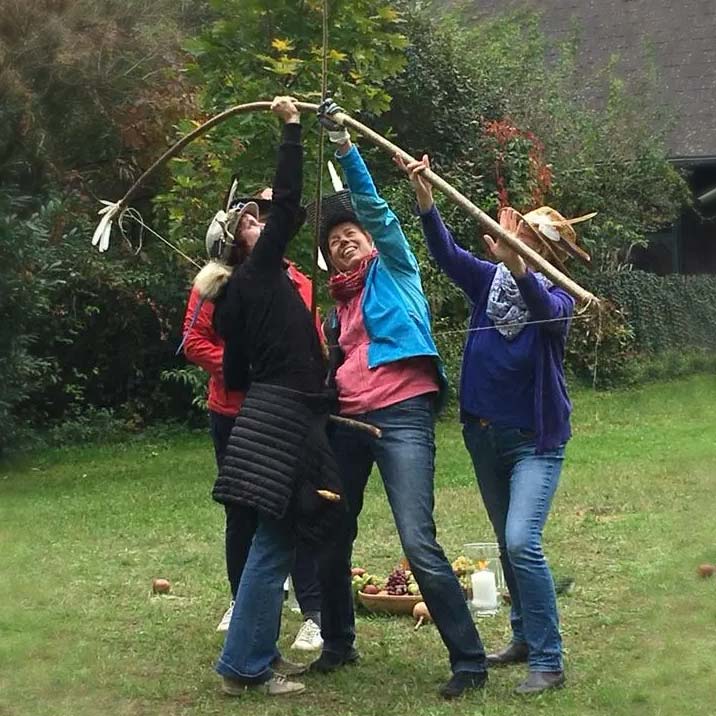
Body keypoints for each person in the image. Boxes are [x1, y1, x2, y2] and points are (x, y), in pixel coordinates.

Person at [310, 100, 488, 700]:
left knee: (417, 540)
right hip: (349, 421)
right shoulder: (337, 307)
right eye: (335, 242)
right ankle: (338, 643)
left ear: (370, 240)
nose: (344, 244)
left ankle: (469, 661)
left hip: (403, 412)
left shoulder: (396, 268)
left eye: (351, 236)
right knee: (332, 530)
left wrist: (344, 147)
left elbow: (376, 209)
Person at [397, 152, 592, 695]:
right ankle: (524, 638)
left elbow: (543, 308)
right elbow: (446, 253)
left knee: (521, 541)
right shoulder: (490, 283)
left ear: (544, 255)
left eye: (527, 240)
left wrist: (519, 265)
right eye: (517, 235)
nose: (515, 241)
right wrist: (426, 199)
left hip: (534, 443)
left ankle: (549, 659)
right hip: (484, 435)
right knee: (508, 546)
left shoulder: (558, 298)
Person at [208, 96, 343, 698]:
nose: (262, 223)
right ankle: (243, 667)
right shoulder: (259, 272)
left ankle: (251, 654)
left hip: (267, 413)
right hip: (285, 419)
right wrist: (291, 128)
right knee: (274, 542)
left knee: (275, 540)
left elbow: (235, 373)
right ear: (241, 246)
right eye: (250, 223)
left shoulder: (237, 295)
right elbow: (288, 201)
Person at [182, 185, 323, 651]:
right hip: (236, 411)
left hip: (289, 408)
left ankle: (312, 611)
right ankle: (242, 603)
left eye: (261, 218)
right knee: (243, 512)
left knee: (300, 508)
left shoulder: (297, 280)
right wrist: (241, 369)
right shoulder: (220, 285)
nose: (260, 223)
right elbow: (195, 341)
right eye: (248, 221)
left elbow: (309, 338)